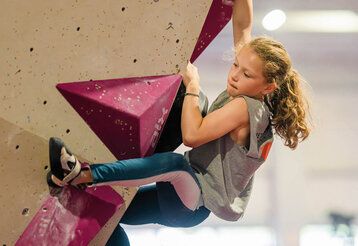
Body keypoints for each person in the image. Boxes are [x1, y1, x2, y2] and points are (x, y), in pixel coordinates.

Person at [48, 0, 311, 245]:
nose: (234, 76)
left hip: (192, 202)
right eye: (234, 65)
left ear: (268, 87)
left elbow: (192, 136)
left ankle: (82, 173)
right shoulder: (248, 86)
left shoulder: (248, 108)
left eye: (246, 74)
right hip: (179, 196)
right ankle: (81, 184)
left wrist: (194, 86)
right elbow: (243, 27)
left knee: (177, 158)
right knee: (115, 215)